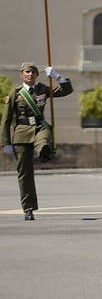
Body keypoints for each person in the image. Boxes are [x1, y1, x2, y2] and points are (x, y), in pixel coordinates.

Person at [1, 62, 73, 220]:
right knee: (24, 173)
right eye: (27, 72)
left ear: (36, 75)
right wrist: (5, 142)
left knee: (44, 138)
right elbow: (6, 120)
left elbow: (67, 91)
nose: (30, 74)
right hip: (21, 133)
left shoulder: (43, 89)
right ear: (21, 74)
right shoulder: (15, 93)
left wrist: (57, 76)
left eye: (33, 72)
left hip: (40, 127)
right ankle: (28, 209)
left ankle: (43, 152)